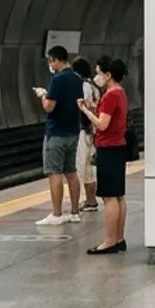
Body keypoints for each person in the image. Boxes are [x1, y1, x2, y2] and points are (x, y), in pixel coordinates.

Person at [78, 58, 130, 254]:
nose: (96, 76)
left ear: (108, 75)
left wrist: (84, 110)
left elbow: (102, 125)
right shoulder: (121, 93)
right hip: (118, 147)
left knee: (109, 197)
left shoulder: (110, 96)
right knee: (118, 196)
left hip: (108, 148)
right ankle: (119, 238)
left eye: (99, 72)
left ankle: (109, 241)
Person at [34, 45, 84, 227]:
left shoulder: (57, 79)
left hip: (56, 133)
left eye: (50, 60)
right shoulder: (76, 79)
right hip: (73, 131)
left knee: (54, 173)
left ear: (56, 59)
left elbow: (49, 107)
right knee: (71, 172)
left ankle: (56, 214)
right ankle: (75, 212)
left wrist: (42, 96)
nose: (50, 64)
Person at [71, 57, 100, 212]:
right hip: (92, 130)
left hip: (86, 130)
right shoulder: (94, 84)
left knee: (82, 166)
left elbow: (87, 106)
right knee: (88, 167)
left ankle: (86, 199)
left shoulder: (85, 86)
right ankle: (90, 200)